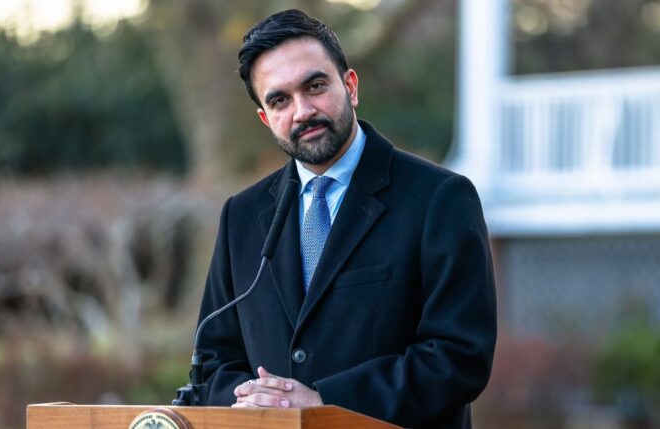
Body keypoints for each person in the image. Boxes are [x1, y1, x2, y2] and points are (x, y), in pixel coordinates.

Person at [193, 9, 496, 428]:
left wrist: (324, 401)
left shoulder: (440, 199)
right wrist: (255, 403)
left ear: (350, 86)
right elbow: (211, 361)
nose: (302, 111)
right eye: (279, 100)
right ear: (265, 118)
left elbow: (459, 357)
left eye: (315, 86)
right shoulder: (241, 216)